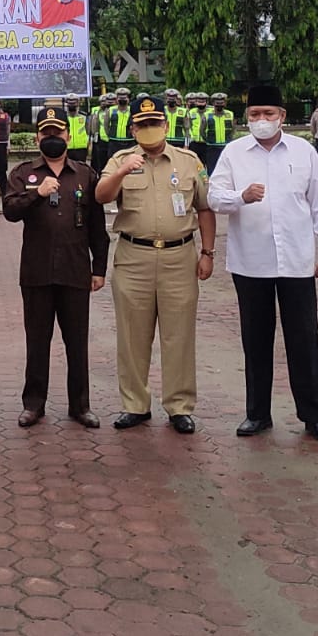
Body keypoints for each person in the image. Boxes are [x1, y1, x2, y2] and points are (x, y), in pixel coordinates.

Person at [207, 82, 318, 445]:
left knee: (304, 340)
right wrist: (241, 196)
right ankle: (257, 414)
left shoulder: (304, 151)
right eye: (255, 114)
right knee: (255, 340)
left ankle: (315, 417)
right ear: (246, 117)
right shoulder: (234, 153)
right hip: (251, 263)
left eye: (268, 113)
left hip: (296, 262)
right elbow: (214, 197)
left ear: (282, 116)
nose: (261, 120)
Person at [93, 95, 215, 433]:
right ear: (133, 129)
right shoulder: (120, 159)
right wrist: (122, 172)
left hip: (180, 257)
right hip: (134, 257)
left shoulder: (188, 161)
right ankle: (135, 404)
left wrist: (208, 253)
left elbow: (205, 207)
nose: (149, 128)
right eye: (142, 124)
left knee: (179, 335)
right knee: (133, 335)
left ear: (166, 124)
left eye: (155, 123)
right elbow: (101, 195)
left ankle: (179, 406)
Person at [3, 104, 109, 428]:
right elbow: (10, 210)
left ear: (67, 134)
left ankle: (80, 405)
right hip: (37, 271)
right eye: (46, 132)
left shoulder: (85, 174)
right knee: (37, 341)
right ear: (38, 137)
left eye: (57, 132)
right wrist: (37, 193)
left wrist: (99, 269)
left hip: (75, 270)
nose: (52, 137)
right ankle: (33, 404)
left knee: (77, 342)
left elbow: (97, 227)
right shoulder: (23, 173)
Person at [95, 88, 135, 174]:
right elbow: (106, 125)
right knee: (113, 165)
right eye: (120, 98)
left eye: (124, 98)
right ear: (117, 99)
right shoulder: (111, 110)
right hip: (114, 143)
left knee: (129, 165)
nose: (122, 100)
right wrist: (110, 135)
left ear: (128, 99)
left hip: (129, 142)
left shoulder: (132, 110)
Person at [64, 94, 90, 163]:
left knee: (81, 168)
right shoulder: (63, 117)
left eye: (74, 103)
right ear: (67, 104)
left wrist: (88, 144)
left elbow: (88, 131)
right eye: (70, 103)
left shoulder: (84, 116)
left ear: (78, 103)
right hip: (67, 148)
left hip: (81, 148)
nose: (72, 105)